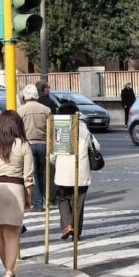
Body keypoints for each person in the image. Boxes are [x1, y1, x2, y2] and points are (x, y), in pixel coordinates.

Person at [0, 110, 34, 277]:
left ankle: (8, 270)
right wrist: (29, 197)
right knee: (12, 234)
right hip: (14, 189)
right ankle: (9, 272)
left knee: (0, 234)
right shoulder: (22, 145)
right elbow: (28, 176)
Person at [52, 102, 100, 240]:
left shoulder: (60, 129)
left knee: (62, 199)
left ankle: (67, 225)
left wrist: (55, 162)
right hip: (81, 173)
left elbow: (52, 155)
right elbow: (96, 145)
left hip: (63, 172)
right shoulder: (83, 128)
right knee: (78, 203)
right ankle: (76, 233)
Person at [17, 84, 52, 209]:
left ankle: (37, 203)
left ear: (25, 96)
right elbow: (51, 129)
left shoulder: (20, 111)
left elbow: (18, 130)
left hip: (28, 145)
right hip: (44, 144)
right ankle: (46, 199)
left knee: (33, 174)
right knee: (43, 173)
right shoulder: (46, 109)